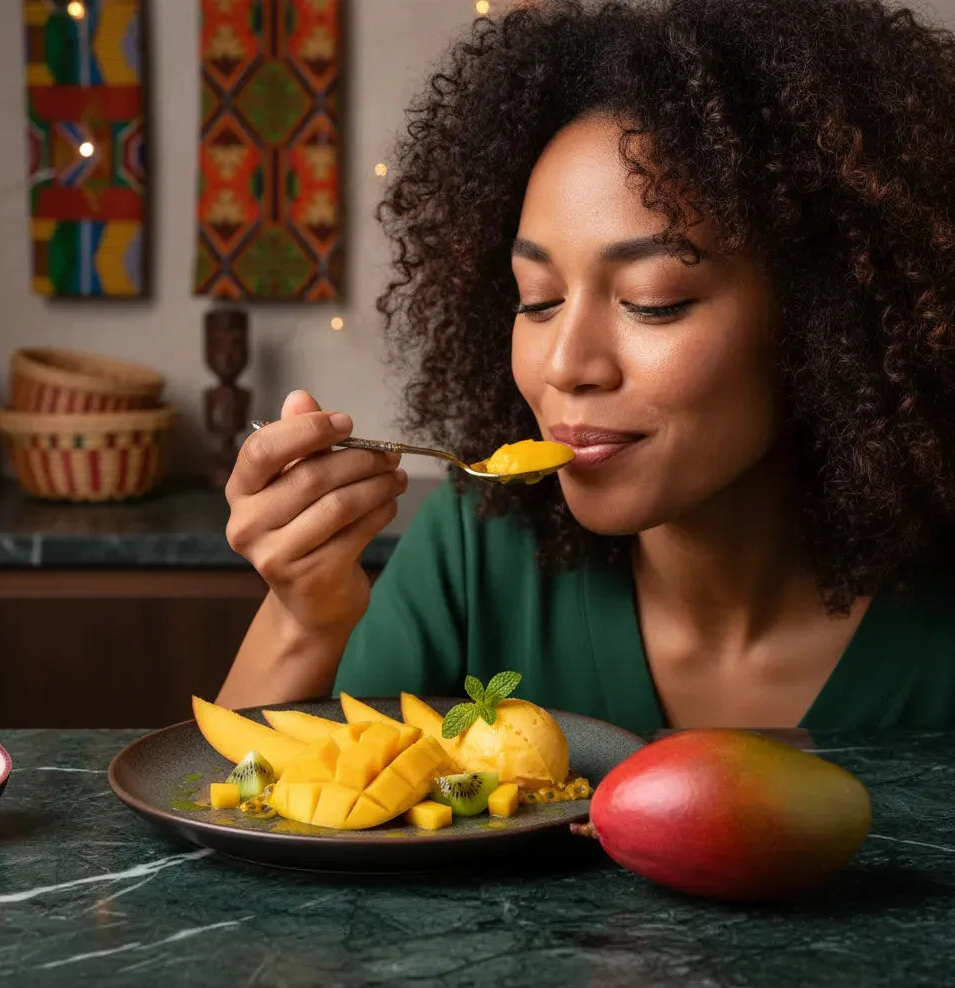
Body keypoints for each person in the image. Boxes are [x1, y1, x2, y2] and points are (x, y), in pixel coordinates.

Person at [217, 0, 955, 732]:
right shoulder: (478, 546)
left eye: (651, 300)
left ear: (826, 314)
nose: (565, 365)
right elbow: (230, 811)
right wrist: (302, 621)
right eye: (537, 300)